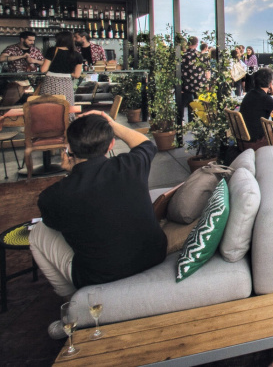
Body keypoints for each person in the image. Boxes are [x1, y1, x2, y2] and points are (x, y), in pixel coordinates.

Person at [30, 111, 167, 298]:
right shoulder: (130, 166)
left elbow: (56, 224)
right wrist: (111, 123)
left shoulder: (52, 196)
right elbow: (145, 143)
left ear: (68, 147)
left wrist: (72, 173)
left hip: (99, 276)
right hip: (154, 256)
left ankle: (70, 298)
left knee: (38, 232)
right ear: (111, 144)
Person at [239, 67, 273, 149]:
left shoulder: (250, 94)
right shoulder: (265, 98)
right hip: (255, 142)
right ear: (270, 83)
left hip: (243, 140)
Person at [40, 31, 83, 104]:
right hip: (66, 84)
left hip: (50, 81)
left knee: (48, 105)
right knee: (65, 106)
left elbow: (43, 69)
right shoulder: (77, 55)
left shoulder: (52, 50)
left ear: (59, 40)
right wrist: (67, 73)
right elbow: (77, 75)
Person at [181, 36, 207, 122]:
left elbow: (179, 71)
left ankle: (181, 121)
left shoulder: (184, 56)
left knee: (182, 104)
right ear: (196, 44)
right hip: (199, 85)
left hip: (186, 85)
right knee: (195, 105)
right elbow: (207, 70)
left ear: (188, 44)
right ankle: (193, 122)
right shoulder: (201, 56)